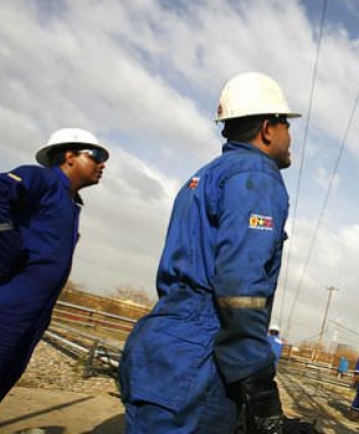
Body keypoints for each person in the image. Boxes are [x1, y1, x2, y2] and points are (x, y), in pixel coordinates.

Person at [119, 72, 302, 433]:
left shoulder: (204, 176)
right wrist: (256, 377)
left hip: (161, 342)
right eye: (286, 124)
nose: (290, 135)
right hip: (202, 354)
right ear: (268, 129)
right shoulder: (257, 176)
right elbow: (240, 286)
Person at [0, 128, 109, 432]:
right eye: (96, 155)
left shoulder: (69, 203)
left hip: (27, 318)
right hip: (0, 310)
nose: (102, 164)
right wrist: (5, 252)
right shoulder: (42, 179)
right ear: (69, 156)